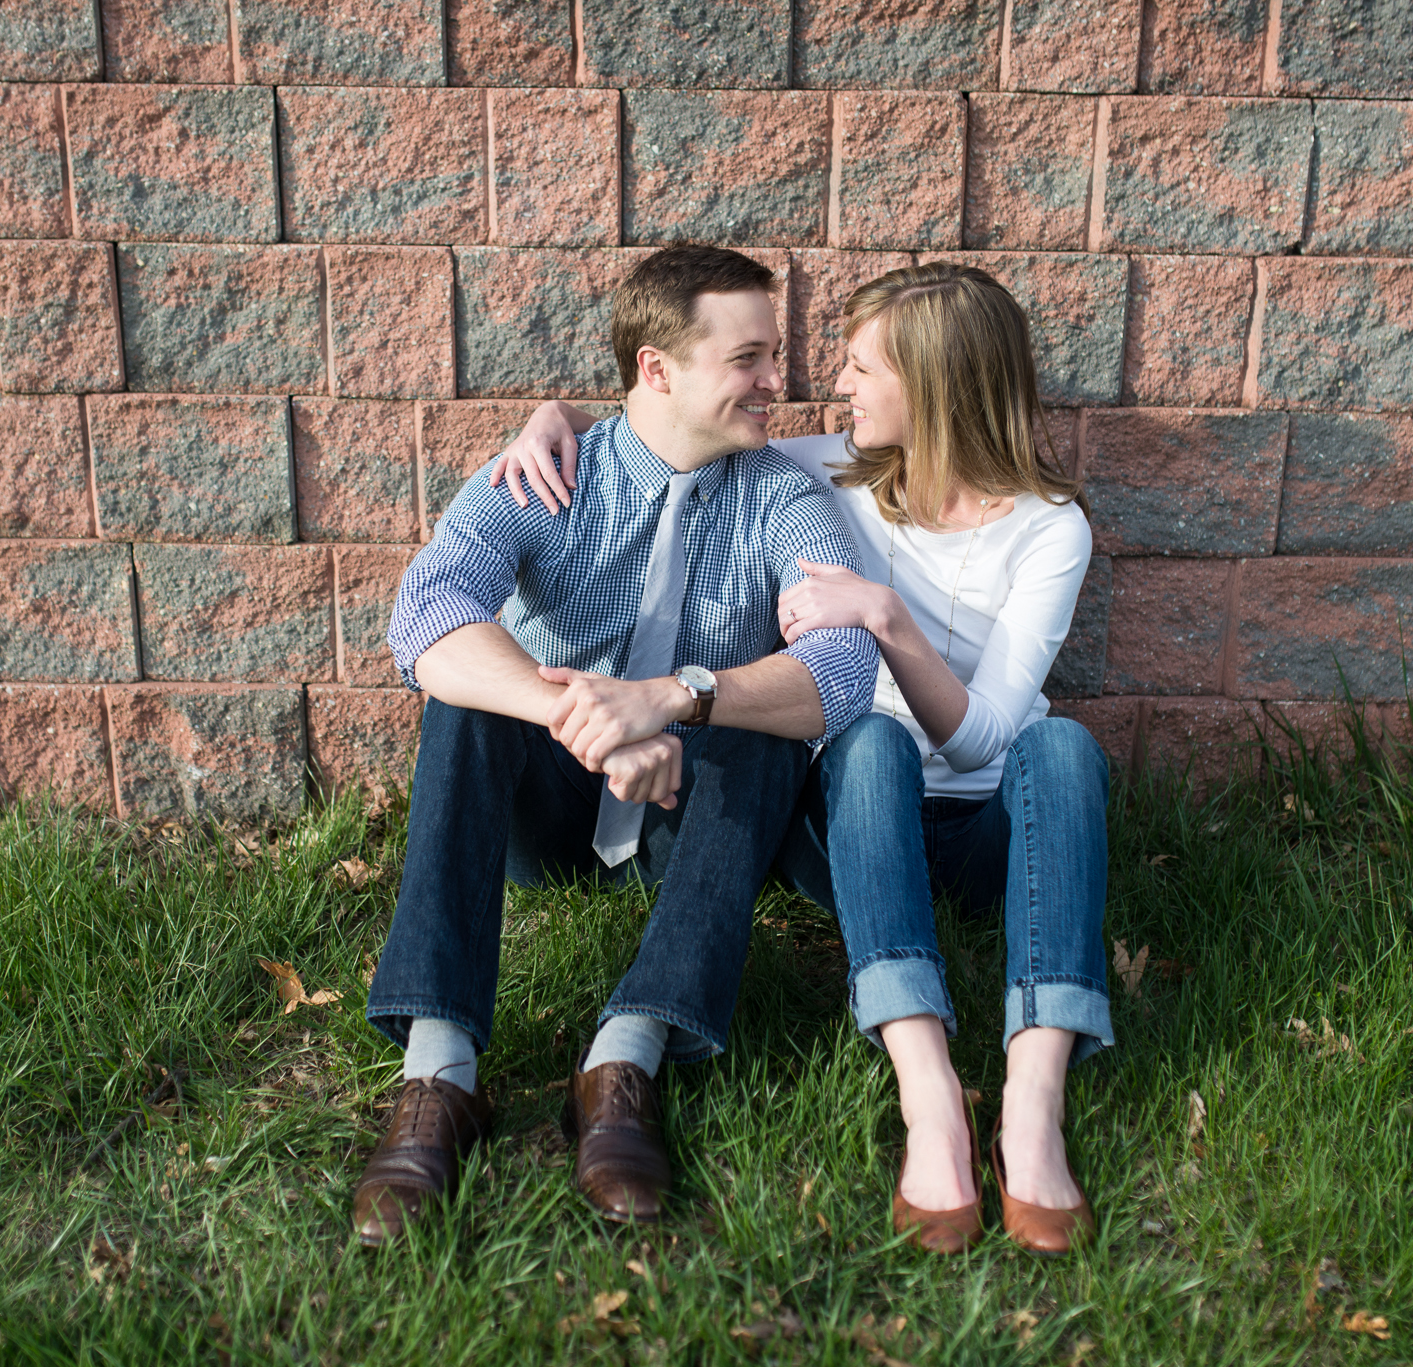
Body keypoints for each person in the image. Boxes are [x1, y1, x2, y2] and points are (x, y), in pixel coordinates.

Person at [491, 262, 1109, 1255]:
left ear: (936, 385)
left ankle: (1033, 1103)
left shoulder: (1048, 530)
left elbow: (983, 734)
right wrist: (550, 414)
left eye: (862, 369)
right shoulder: (827, 467)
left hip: (984, 828)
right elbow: (672, 421)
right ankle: (930, 1095)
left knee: (1061, 744)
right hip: (851, 834)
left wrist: (887, 620)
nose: (840, 388)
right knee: (867, 738)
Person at [353, 245, 879, 1246]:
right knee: (467, 695)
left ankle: (622, 1058)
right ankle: (438, 1072)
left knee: (764, 722)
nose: (777, 381)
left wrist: (668, 699)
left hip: (691, 813)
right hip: (545, 807)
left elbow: (845, 673)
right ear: (656, 369)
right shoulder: (545, 473)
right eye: (750, 358)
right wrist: (583, 718)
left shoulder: (781, 496)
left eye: (775, 356)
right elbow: (423, 616)